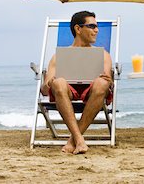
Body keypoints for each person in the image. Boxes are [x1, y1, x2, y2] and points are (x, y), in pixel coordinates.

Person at [40, 11, 113, 155]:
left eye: (97, 27)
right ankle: (79, 139)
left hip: (93, 92)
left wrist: (109, 81)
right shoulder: (58, 57)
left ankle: (73, 140)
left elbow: (108, 85)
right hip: (67, 91)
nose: (96, 30)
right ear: (78, 29)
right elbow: (44, 89)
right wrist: (50, 83)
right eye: (92, 26)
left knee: (101, 83)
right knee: (59, 82)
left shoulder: (103, 55)